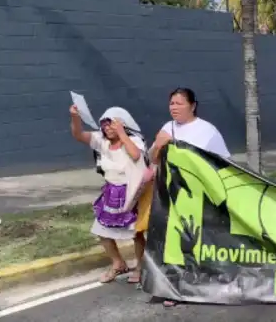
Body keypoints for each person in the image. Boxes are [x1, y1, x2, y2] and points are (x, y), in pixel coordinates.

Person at [148, 87, 231, 307]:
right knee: (172, 245)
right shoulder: (167, 128)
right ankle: (173, 289)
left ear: (192, 105)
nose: (173, 108)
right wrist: (159, 144)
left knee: (196, 243)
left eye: (179, 103)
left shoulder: (207, 131)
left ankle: (201, 285)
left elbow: (224, 164)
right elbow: (154, 160)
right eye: (171, 103)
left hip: (199, 199)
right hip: (171, 198)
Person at [69, 105, 148, 284]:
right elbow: (78, 135)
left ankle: (140, 266)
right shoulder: (101, 141)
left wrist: (122, 134)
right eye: (104, 125)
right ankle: (118, 263)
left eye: (111, 124)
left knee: (136, 232)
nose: (107, 129)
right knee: (102, 230)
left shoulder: (134, 140)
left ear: (122, 125)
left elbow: (135, 155)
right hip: (111, 192)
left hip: (131, 193)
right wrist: (75, 117)